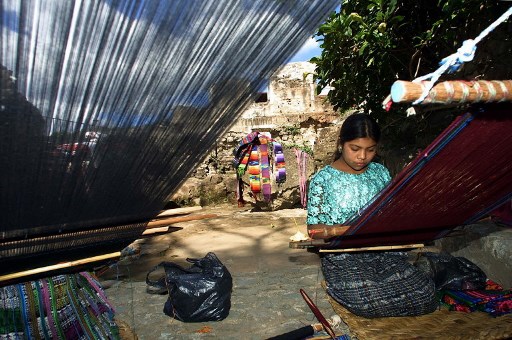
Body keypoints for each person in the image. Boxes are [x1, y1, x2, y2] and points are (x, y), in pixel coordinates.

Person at [306, 113, 391, 238]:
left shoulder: (381, 173)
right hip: (341, 253)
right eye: (355, 149)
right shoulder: (322, 180)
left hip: (385, 248)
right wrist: (347, 230)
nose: (362, 156)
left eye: (370, 150)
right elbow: (313, 230)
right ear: (341, 143)